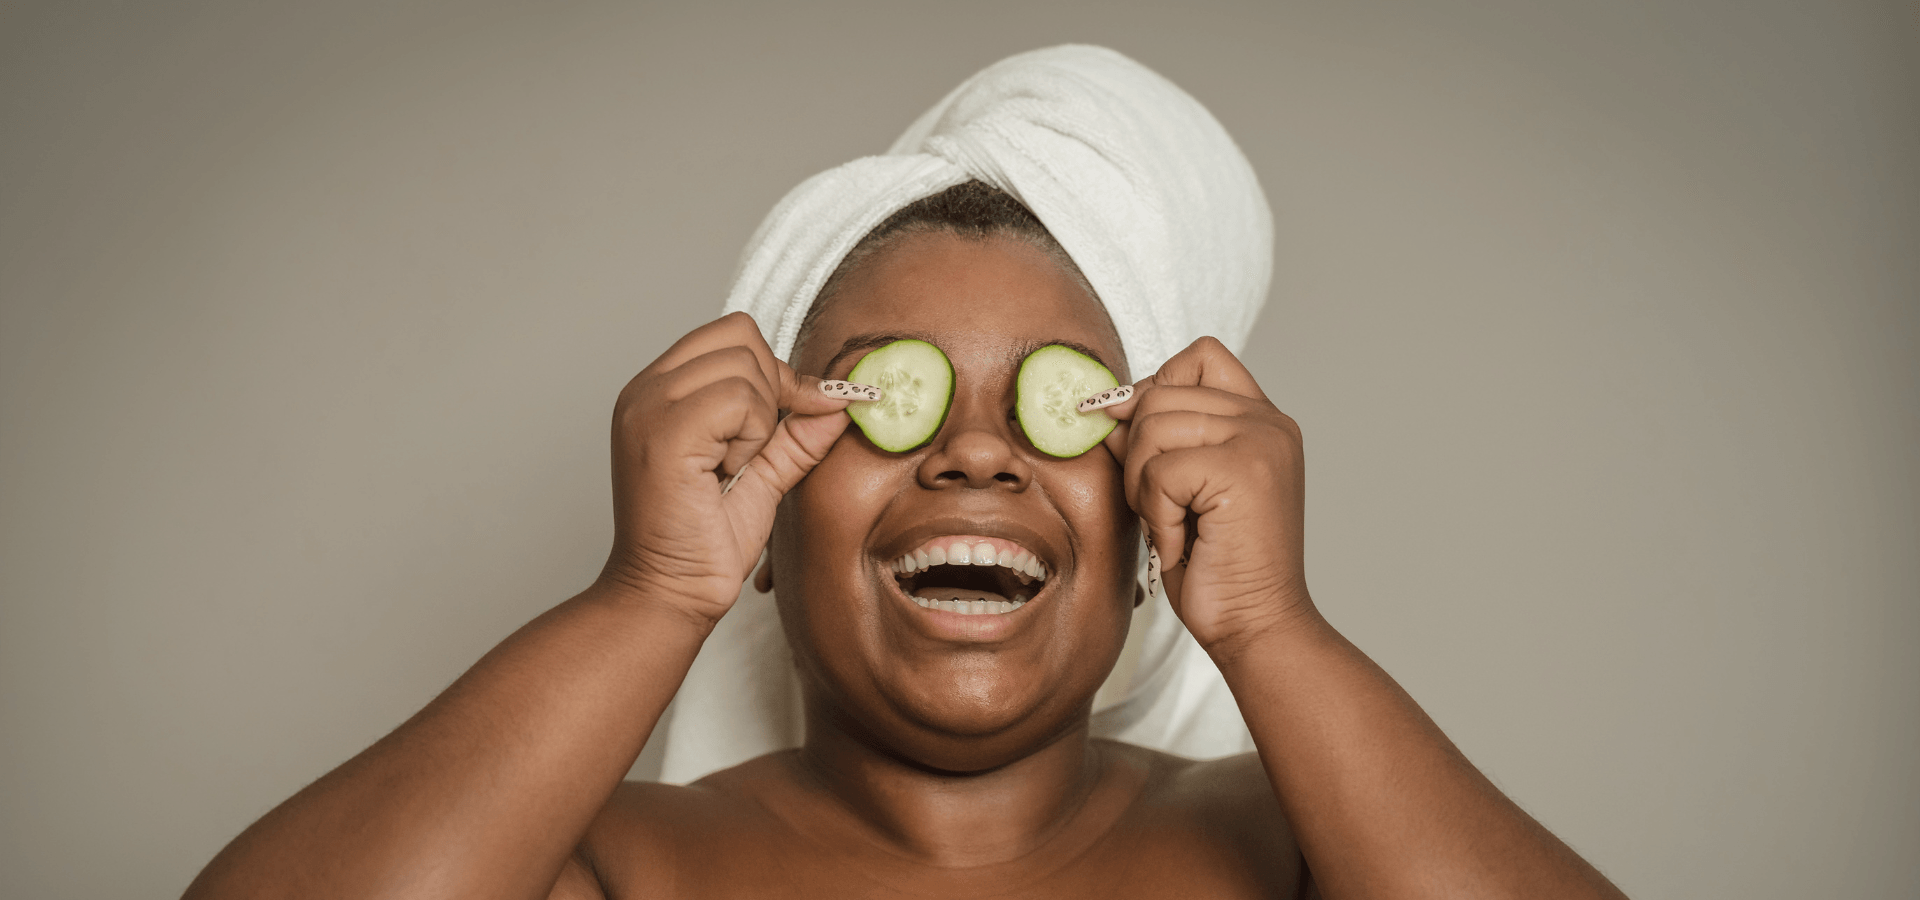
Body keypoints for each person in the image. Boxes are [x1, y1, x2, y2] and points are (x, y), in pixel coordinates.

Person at [183, 47, 1627, 899]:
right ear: (758, 508)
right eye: (888, 392)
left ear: (1151, 529)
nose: (979, 448)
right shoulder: (618, 866)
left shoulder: (1295, 849)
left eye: (1059, 405)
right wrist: (647, 592)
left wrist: (1273, 630)